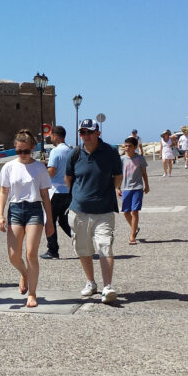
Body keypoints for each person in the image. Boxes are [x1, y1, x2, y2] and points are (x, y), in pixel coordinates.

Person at [66, 119, 122, 305]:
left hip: (104, 210)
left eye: (89, 132)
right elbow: (69, 179)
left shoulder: (110, 152)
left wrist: (105, 193)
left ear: (98, 133)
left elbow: (118, 176)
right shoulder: (75, 153)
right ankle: (91, 282)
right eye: (82, 132)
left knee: (105, 245)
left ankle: (107, 287)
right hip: (79, 211)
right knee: (83, 249)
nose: (86, 136)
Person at [0, 131, 54, 308]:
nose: (22, 154)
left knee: (31, 253)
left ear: (32, 149)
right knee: (14, 255)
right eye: (19, 151)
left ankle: (32, 293)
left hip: (34, 209)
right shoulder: (9, 167)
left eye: (26, 151)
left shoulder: (39, 168)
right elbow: (3, 192)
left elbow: (45, 195)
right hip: (15, 209)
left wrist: (50, 221)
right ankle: (24, 274)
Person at [40, 126, 73, 260]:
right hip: (69, 190)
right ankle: (82, 241)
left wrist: (43, 172)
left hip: (56, 191)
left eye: (51, 136)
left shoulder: (55, 151)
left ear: (56, 136)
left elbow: (52, 171)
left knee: (50, 220)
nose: (51, 138)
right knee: (64, 220)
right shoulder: (71, 150)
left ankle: (53, 250)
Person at [118, 137, 150, 245]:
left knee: (134, 211)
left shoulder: (140, 159)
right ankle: (135, 228)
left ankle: (132, 236)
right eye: (125, 146)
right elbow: (119, 175)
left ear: (135, 147)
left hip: (137, 188)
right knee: (126, 212)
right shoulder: (121, 159)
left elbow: (144, 173)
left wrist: (147, 185)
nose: (127, 148)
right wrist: (118, 188)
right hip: (126, 188)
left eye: (129, 146)